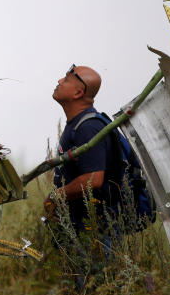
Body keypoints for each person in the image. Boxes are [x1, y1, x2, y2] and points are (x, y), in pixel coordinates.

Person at [44, 64, 126, 233]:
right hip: (79, 225)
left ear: (78, 93)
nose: (59, 81)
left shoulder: (88, 128)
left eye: (66, 79)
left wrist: (56, 195)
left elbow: (94, 178)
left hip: (94, 231)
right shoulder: (77, 123)